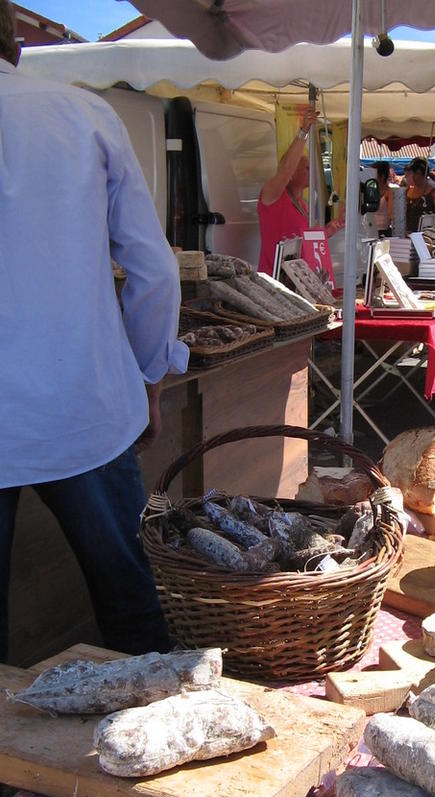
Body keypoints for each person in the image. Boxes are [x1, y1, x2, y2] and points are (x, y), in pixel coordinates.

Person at [0, 0, 189, 663]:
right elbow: (155, 271)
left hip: (74, 410)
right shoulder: (81, 113)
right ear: (15, 42)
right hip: (83, 405)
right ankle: (161, 750)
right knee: (134, 612)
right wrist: (151, 377)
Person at [257, 109, 344, 274]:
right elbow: (286, 169)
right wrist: (303, 131)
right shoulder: (273, 196)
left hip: (297, 280)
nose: (312, 172)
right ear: (291, 174)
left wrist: (329, 230)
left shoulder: (301, 203)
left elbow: (305, 241)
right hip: (275, 280)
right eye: (307, 168)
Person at [404, 157, 435, 234]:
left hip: (428, 237)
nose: (413, 176)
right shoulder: (407, 192)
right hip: (409, 235)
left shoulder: (434, 194)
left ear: (422, 174)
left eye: (416, 173)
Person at [373, 160, 393, 236]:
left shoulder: (389, 192)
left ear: (382, 176)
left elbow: (391, 215)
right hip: (370, 228)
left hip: (383, 231)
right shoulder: (372, 191)